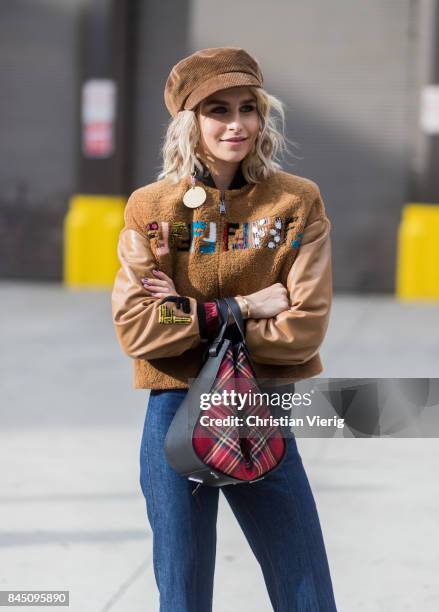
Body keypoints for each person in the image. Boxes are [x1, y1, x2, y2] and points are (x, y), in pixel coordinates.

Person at [111, 47, 337, 612]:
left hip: (261, 404)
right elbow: (140, 328)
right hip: (173, 408)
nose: (236, 124)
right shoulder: (152, 208)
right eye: (218, 110)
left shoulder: (295, 203)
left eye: (247, 108)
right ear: (191, 122)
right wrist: (245, 307)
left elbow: (304, 326)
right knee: (182, 592)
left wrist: (188, 313)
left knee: (304, 586)